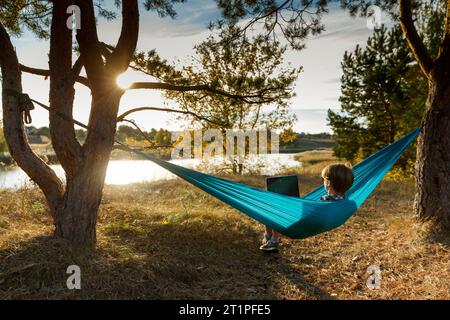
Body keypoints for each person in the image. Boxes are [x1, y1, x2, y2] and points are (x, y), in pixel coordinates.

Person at [259, 163, 354, 252]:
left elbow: (306, 212)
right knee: (275, 205)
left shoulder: (324, 203)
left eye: (323, 179)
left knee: (273, 207)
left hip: (300, 225)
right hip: (313, 222)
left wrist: (296, 204)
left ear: (328, 183)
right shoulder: (349, 203)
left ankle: (272, 239)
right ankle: (270, 237)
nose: (323, 182)